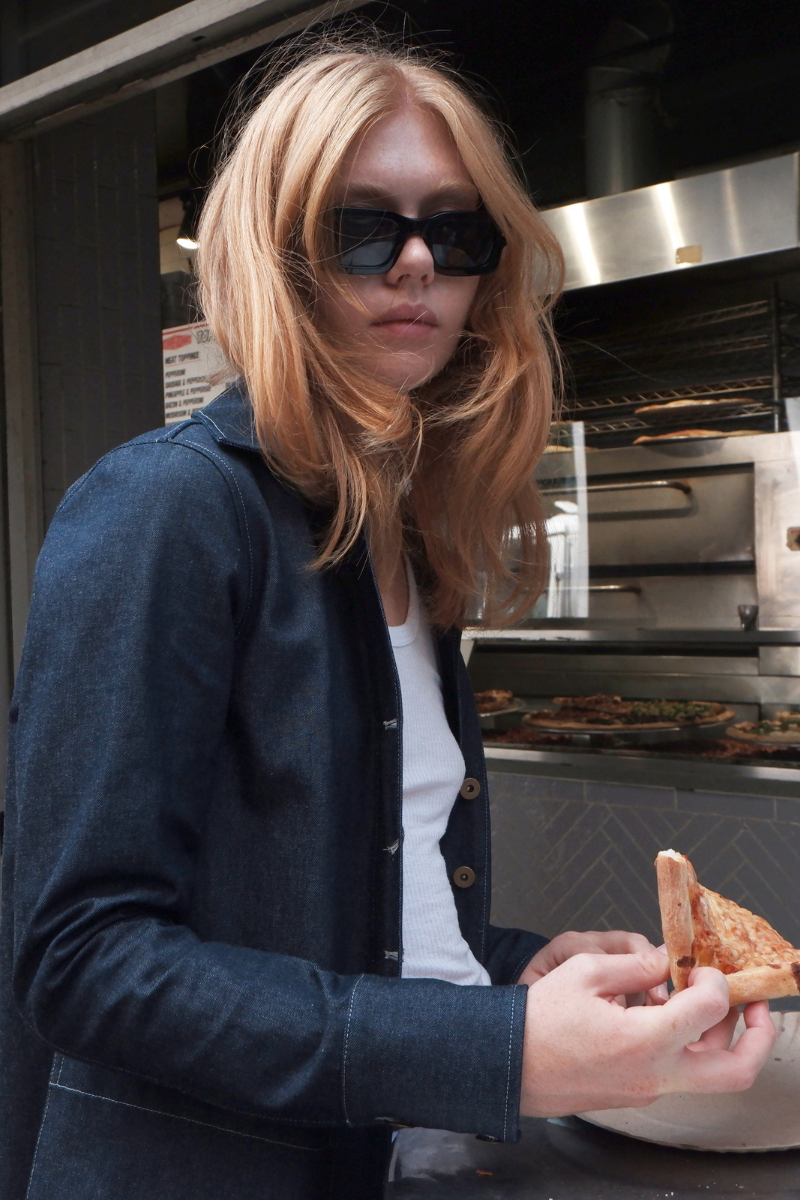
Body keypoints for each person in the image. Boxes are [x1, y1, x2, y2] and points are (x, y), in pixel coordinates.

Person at [0, 40, 776, 1200]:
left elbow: (350, 919)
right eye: (363, 227)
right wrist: (499, 1052)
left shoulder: (401, 537)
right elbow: (78, 959)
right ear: (275, 256)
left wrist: (510, 975)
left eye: (456, 234)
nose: (417, 263)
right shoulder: (164, 509)